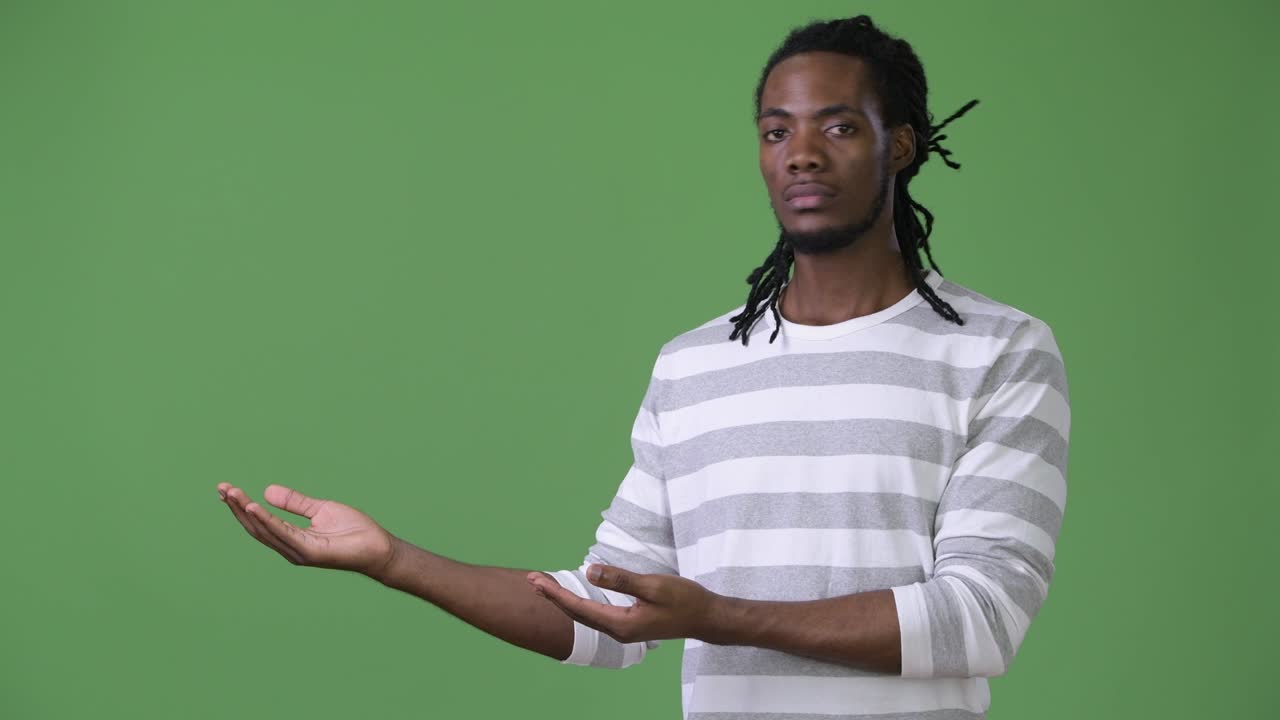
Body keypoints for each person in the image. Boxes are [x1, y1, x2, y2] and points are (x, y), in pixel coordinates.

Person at [217, 14, 1069, 719]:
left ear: (903, 147)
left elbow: (980, 621)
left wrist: (722, 617)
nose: (800, 153)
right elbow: (608, 615)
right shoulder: (695, 366)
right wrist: (392, 560)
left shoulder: (999, 350)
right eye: (777, 131)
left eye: (838, 126)